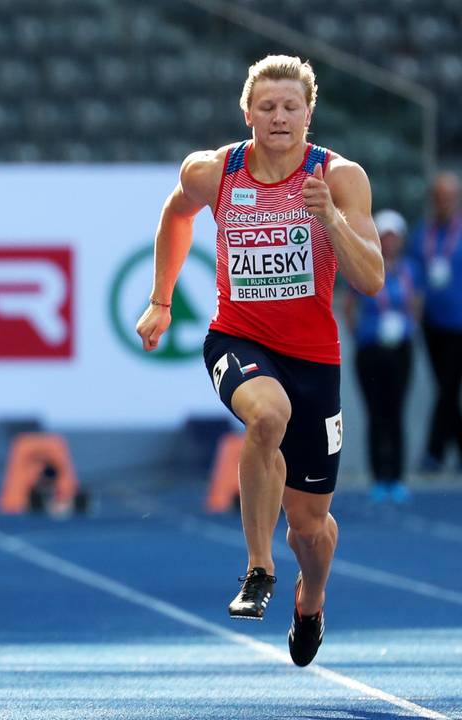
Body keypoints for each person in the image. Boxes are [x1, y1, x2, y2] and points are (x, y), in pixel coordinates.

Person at [135, 55, 383, 667]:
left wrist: (328, 218)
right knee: (266, 415)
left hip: (315, 358)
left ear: (309, 113)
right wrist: (161, 299)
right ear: (248, 113)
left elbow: (372, 278)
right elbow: (175, 215)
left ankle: (312, 598)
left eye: (290, 107)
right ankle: (257, 567)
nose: (279, 117)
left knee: (311, 528)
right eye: (266, 107)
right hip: (237, 338)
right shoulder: (215, 171)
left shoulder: (341, 177)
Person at [346, 209, 420, 503]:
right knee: (375, 413)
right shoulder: (365, 262)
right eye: (384, 236)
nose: (389, 242)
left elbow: (416, 302)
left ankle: (397, 477)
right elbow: (350, 305)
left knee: (396, 411)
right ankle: (379, 477)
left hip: (399, 347)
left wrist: (407, 327)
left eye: (394, 237)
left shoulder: (410, 269)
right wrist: (362, 334)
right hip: (371, 348)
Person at [410, 172, 462, 475]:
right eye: (439, 197)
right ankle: (444, 449)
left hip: (459, 323)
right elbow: (412, 276)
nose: (443, 203)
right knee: (445, 387)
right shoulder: (423, 234)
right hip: (433, 324)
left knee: (447, 386)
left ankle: (434, 451)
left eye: (449, 197)